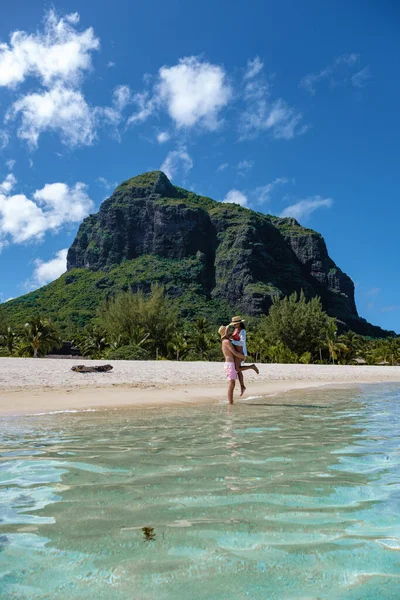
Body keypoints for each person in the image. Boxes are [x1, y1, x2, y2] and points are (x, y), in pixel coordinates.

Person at [218, 324, 259, 405]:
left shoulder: (226, 340)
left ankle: (231, 402)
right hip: (229, 364)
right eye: (228, 330)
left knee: (232, 383)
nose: (230, 331)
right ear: (225, 333)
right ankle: (230, 403)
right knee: (231, 385)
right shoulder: (226, 341)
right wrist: (243, 356)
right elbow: (234, 352)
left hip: (230, 364)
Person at [230, 316, 258, 395]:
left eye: (236, 324)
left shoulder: (242, 331)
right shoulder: (236, 330)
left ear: (239, 323)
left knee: (237, 369)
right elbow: (236, 340)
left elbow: (242, 342)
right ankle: (242, 386)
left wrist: (231, 342)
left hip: (240, 352)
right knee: (238, 370)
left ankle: (252, 366)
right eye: (234, 324)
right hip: (236, 351)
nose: (235, 325)